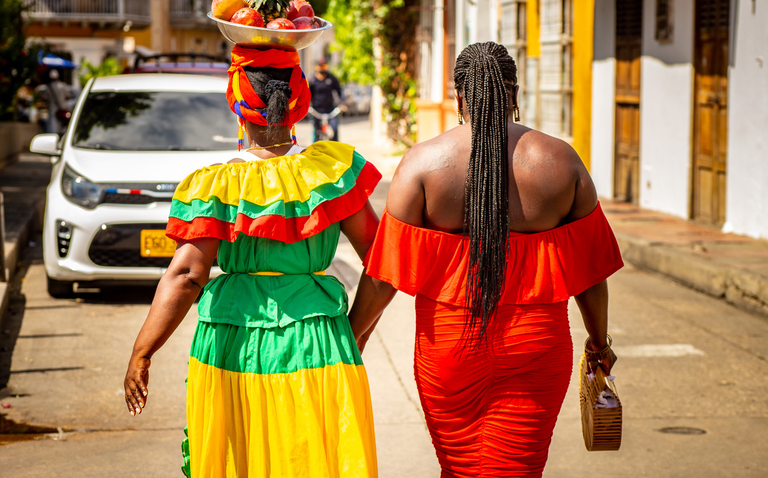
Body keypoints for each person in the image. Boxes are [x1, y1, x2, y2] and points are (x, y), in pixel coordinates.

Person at [351, 42, 624, 477]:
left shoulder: (422, 163)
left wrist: (352, 338)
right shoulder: (561, 161)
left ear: (459, 97)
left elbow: (384, 276)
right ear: (515, 94)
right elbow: (589, 274)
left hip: (448, 348)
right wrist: (599, 342)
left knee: (458, 468)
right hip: (536, 349)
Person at [123, 45, 391, 477]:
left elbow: (187, 274)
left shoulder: (216, 185)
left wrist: (142, 352)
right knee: (313, 459)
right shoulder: (331, 172)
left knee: (240, 460)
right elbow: (384, 263)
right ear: (300, 104)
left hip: (233, 344)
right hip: (318, 343)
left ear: (237, 107)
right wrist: (351, 331)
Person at [308, 57, 345, 142]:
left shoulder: (331, 78)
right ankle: (314, 148)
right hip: (316, 110)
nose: (322, 68)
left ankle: (335, 148)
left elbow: (339, 91)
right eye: (320, 66)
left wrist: (342, 103)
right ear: (316, 67)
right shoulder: (312, 80)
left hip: (330, 109)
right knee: (316, 131)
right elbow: (307, 94)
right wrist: (306, 106)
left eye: (324, 66)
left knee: (334, 130)